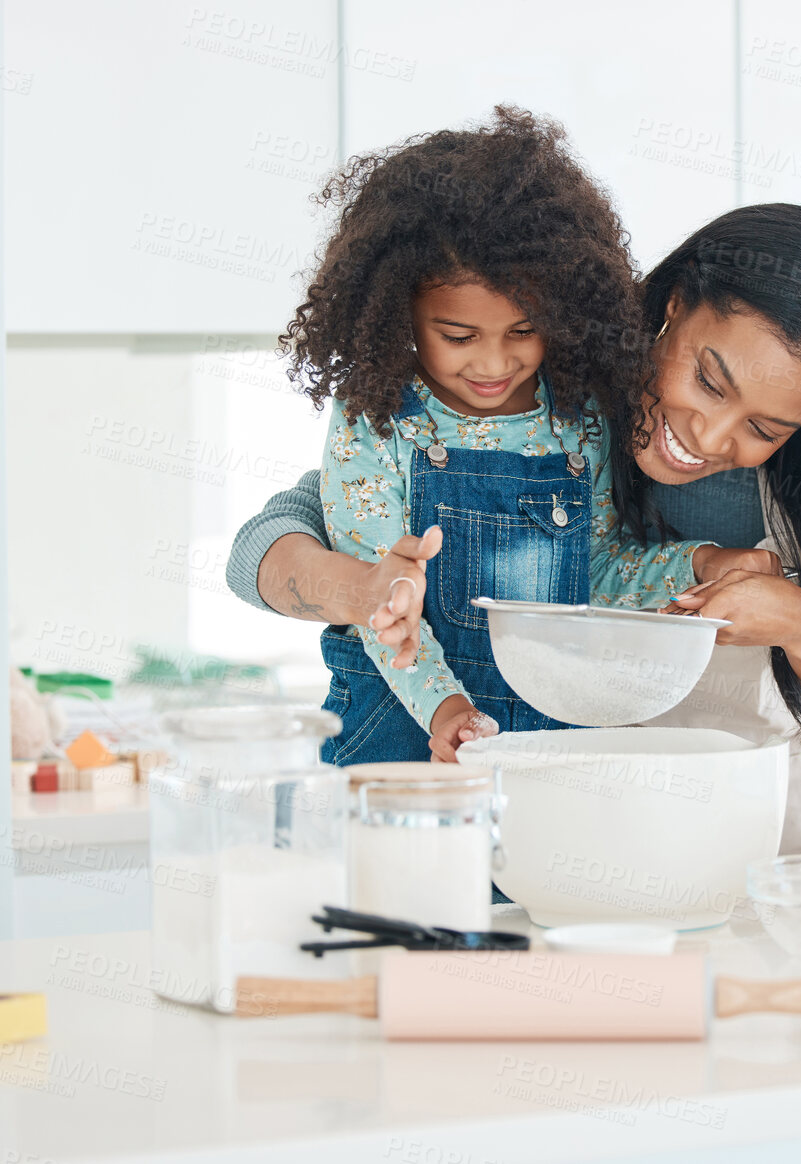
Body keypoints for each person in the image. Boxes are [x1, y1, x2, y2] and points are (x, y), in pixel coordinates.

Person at [230, 199, 801, 851]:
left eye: (764, 428)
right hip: (566, 820)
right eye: (708, 382)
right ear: (675, 305)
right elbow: (267, 545)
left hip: (763, 854)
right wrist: (365, 590)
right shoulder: (540, 368)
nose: (709, 437)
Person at [279, 108, 764, 765]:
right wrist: (444, 708)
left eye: (521, 332)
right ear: (400, 312)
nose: (492, 364)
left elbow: (599, 572)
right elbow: (382, 606)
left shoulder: (577, 416)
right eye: (457, 337)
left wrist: (700, 564)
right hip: (399, 726)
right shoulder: (377, 418)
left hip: (553, 730)